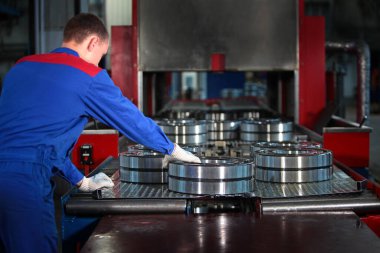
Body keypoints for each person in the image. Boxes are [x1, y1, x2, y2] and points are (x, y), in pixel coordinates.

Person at [0, 13, 201, 253]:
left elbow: (36, 144)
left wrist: (81, 181)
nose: (98, 63)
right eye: (101, 55)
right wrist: (171, 148)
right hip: (25, 185)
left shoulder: (21, 67)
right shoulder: (87, 75)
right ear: (93, 42)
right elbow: (130, 119)